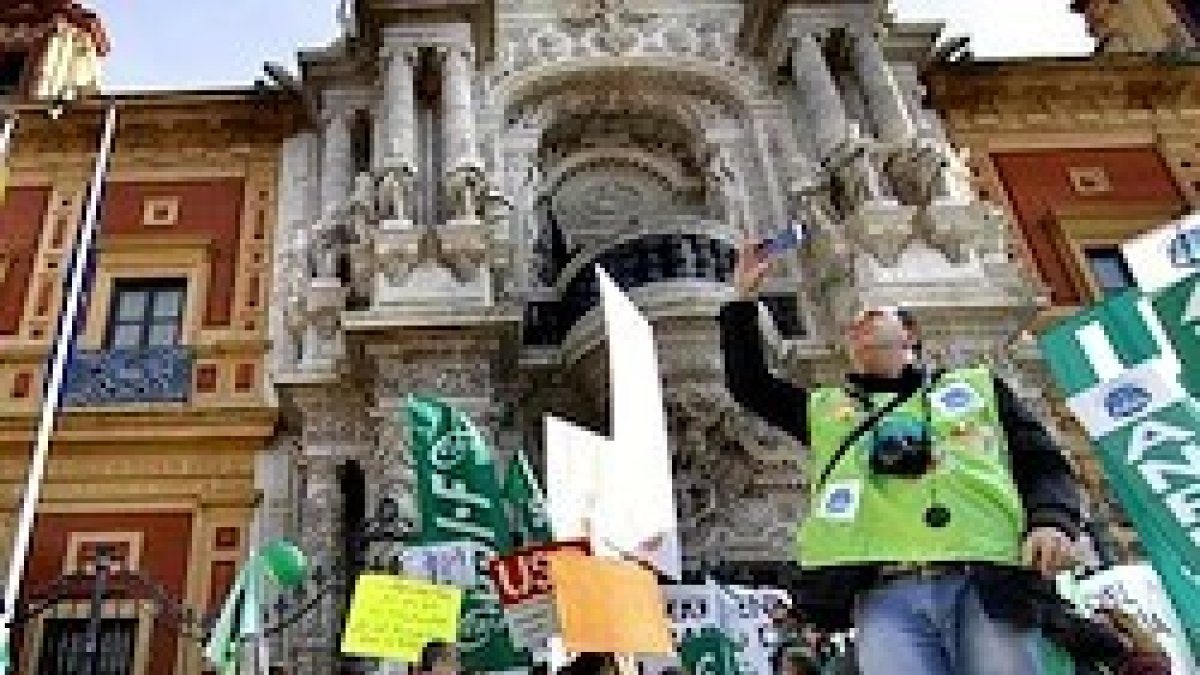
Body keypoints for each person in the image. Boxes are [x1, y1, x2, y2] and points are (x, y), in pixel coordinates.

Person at [719, 239, 1082, 675]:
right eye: (852, 325)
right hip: (885, 593)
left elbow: (1042, 461)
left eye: (873, 315)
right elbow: (750, 385)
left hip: (986, 579)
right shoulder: (827, 411)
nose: (859, 324)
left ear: (910, 334)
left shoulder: (976, 389)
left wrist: (1052, 521)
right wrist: (742, 299)